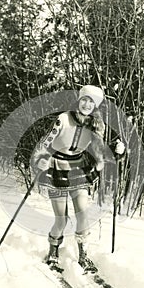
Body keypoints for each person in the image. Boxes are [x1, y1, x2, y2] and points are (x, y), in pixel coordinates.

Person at [31, 85, 125, 273]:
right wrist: (40, 160)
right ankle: (53, 251)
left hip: (79, 169)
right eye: (84, 99)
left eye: (92, 102)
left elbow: (100, 151)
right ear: (79, 100)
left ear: (96, 106)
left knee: (83, 215)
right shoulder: (63, 119)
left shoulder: (97, 124)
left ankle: (83, 255)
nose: (87, 104)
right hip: (56, 168)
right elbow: (45, 143)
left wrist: (116, 152)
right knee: (62, 220)